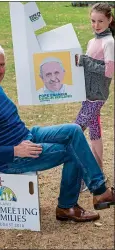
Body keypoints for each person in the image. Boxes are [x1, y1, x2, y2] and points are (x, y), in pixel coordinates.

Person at [0, 43, 115, 223]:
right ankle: (71, 205)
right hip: (11, 158)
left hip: (27, 135)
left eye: (1, 65)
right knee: (73, 151)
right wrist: (15, 150)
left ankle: (96, 193)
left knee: (74, 131)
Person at [75, 2, 115, 192]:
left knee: (74, 132)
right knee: (95, 132)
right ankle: (98, 173)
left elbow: (108, 71)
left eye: (100, 21)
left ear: (109, 20)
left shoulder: (109, 42)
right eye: (93, 21)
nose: (96, 25)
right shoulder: (92, 41)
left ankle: (88, 175)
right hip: (87, 93)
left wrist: (84, 61)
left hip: (97, 95)